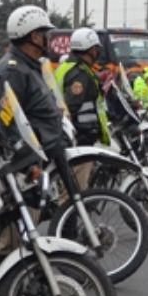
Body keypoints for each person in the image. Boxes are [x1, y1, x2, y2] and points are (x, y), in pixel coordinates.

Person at [0, 3, 70, 169]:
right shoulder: (14, 71)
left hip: (46, 154)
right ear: (35, 37)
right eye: (46, 34)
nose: (49, 40)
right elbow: (6, 121)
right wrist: (26, 163)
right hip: (31, 162)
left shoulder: (29, 67)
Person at [56, 26, 110, 189]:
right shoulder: (79, 74)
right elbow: (71, 107)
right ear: (90, 49)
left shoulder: (67, 67)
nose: (97, 52)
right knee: (74, 191)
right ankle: (69, 215)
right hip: (79, 138)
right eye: (96, 48)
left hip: (74, 137)